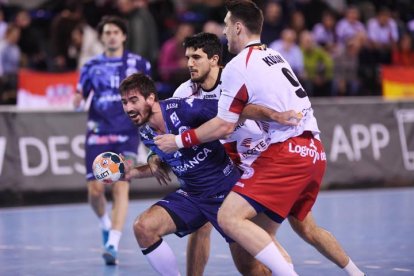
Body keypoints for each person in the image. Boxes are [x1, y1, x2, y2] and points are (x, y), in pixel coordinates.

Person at [154, 1, 365, 275]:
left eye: (228, 26)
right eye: (188, 58)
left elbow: (223, 124)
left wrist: (179, 142)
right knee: (289, 232)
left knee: (229, 219)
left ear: (238, 28)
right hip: (311, 150)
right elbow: (245, 109)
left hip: (281, 154)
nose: (225, 32)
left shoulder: (237, 68)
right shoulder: (275, 56)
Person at [120, 72, 296, 275]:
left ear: (150, 98)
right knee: (143, 227)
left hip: (226, 194)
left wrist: (276, 116)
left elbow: (235, 111)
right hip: (192, 196)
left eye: (133, 100)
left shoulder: (183, 108)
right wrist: (131, 172)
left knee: (251, 270)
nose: (128, 108)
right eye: (124, 102)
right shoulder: (145, 131)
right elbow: (164, 164)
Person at [73, 15, 151, 265]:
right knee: (95, 190)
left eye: (116, 32)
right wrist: (76, 99)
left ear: (124, 36)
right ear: (102, 37)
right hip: (98, 133)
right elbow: (80, 94)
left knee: (121, 184)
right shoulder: (91, 66)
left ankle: (112, 244)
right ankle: (105, 223)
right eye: (107, 32)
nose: (112, 36)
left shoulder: (139, 63)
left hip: (126, 133)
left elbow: (148, 97)